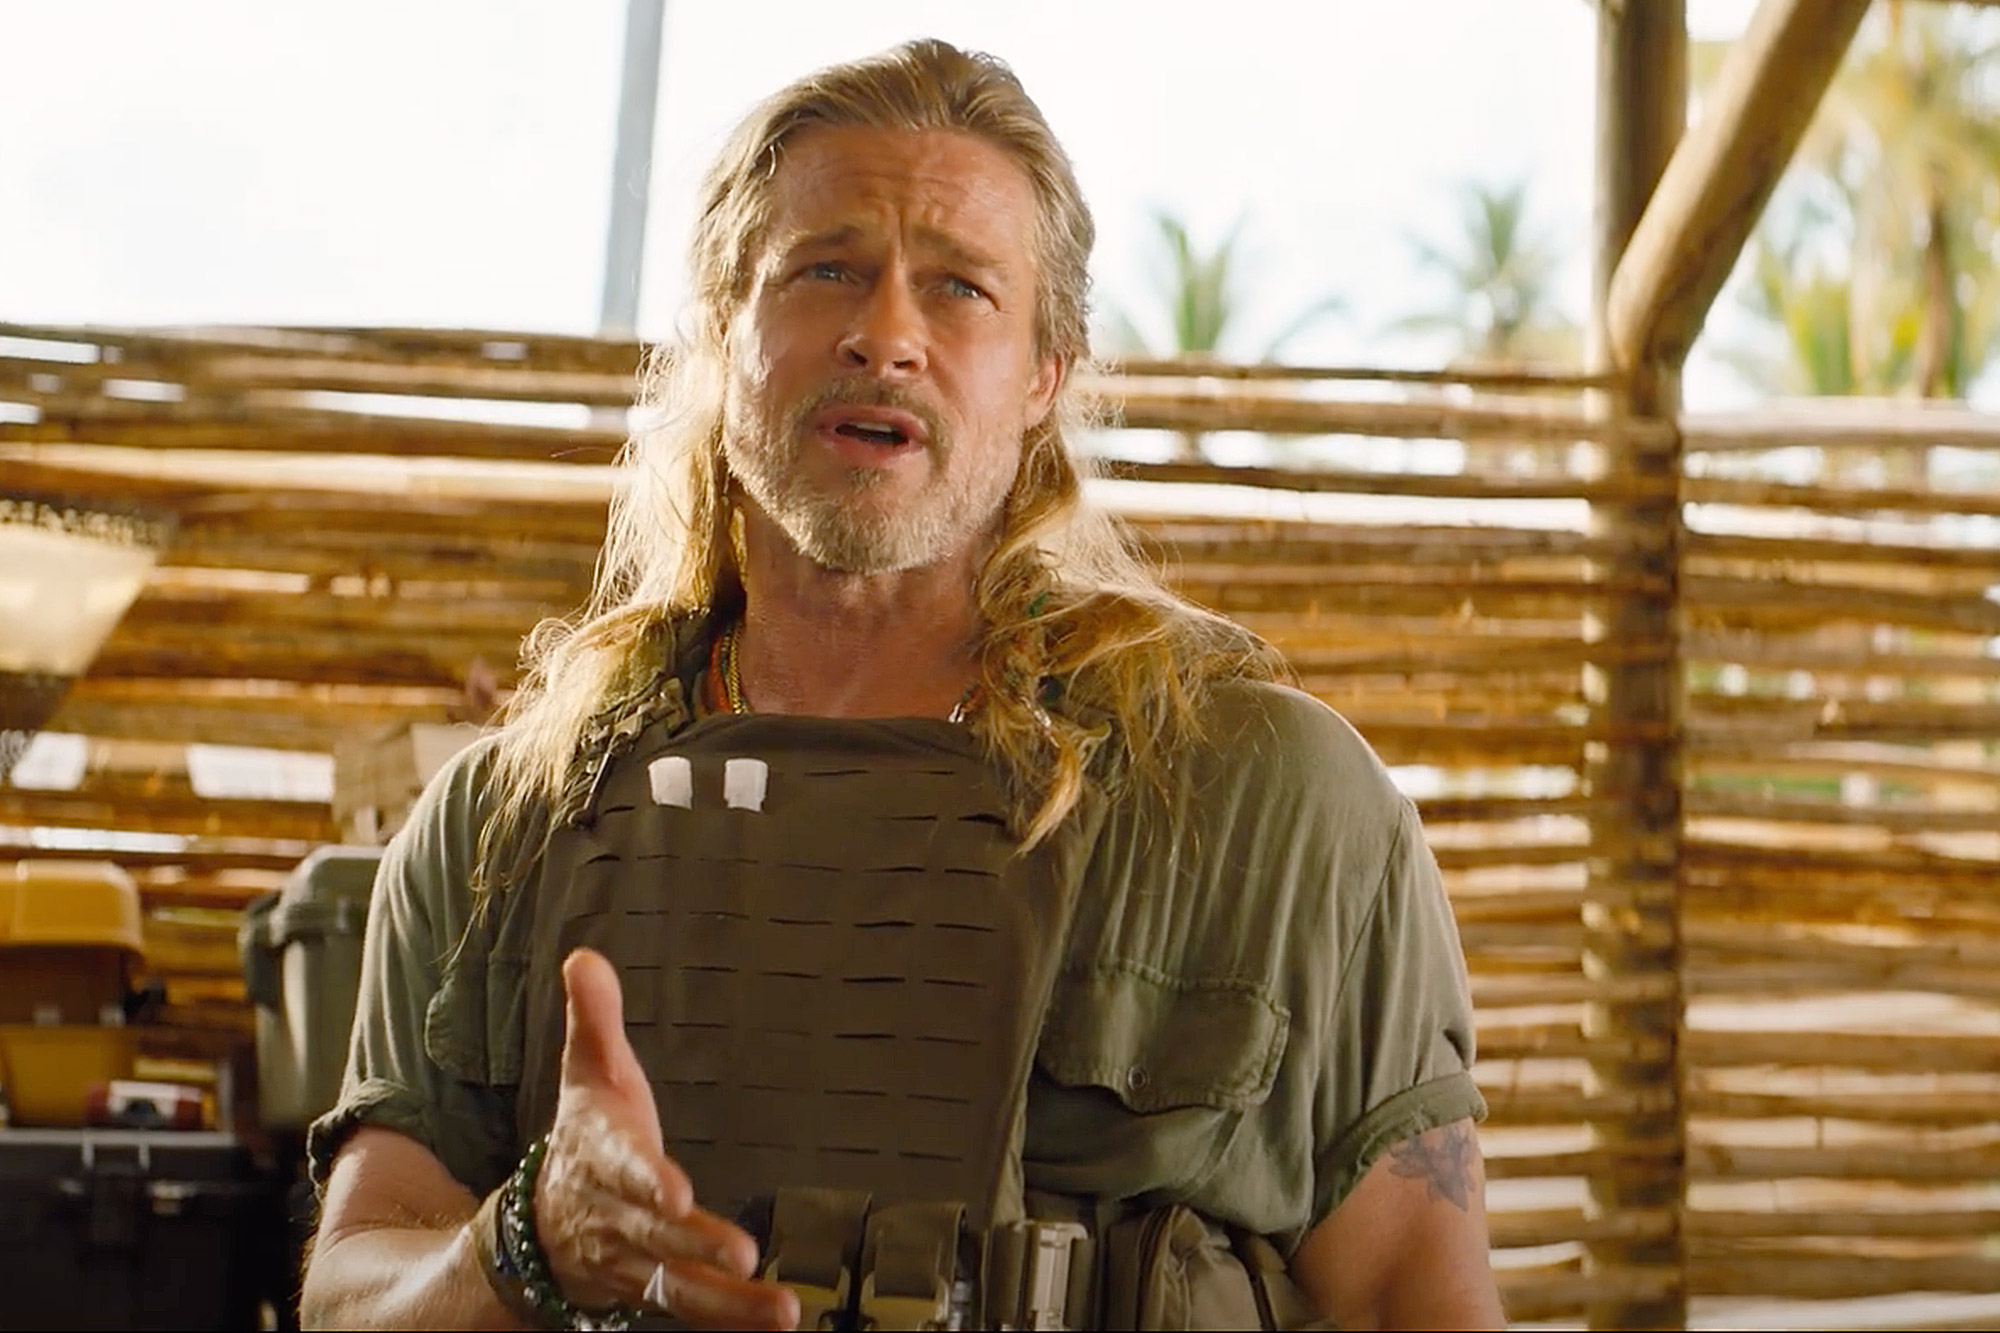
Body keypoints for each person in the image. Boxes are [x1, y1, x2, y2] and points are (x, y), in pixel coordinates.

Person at [299, 38, 1503, 1332]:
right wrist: (524, 1242)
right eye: (826, 270)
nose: (884, 335)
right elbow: (349, 1292)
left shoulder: (1270, 805)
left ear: (1044, 374)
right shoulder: (507, 824)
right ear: (724, 327)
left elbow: (1417, 1295)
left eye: (960, 288)